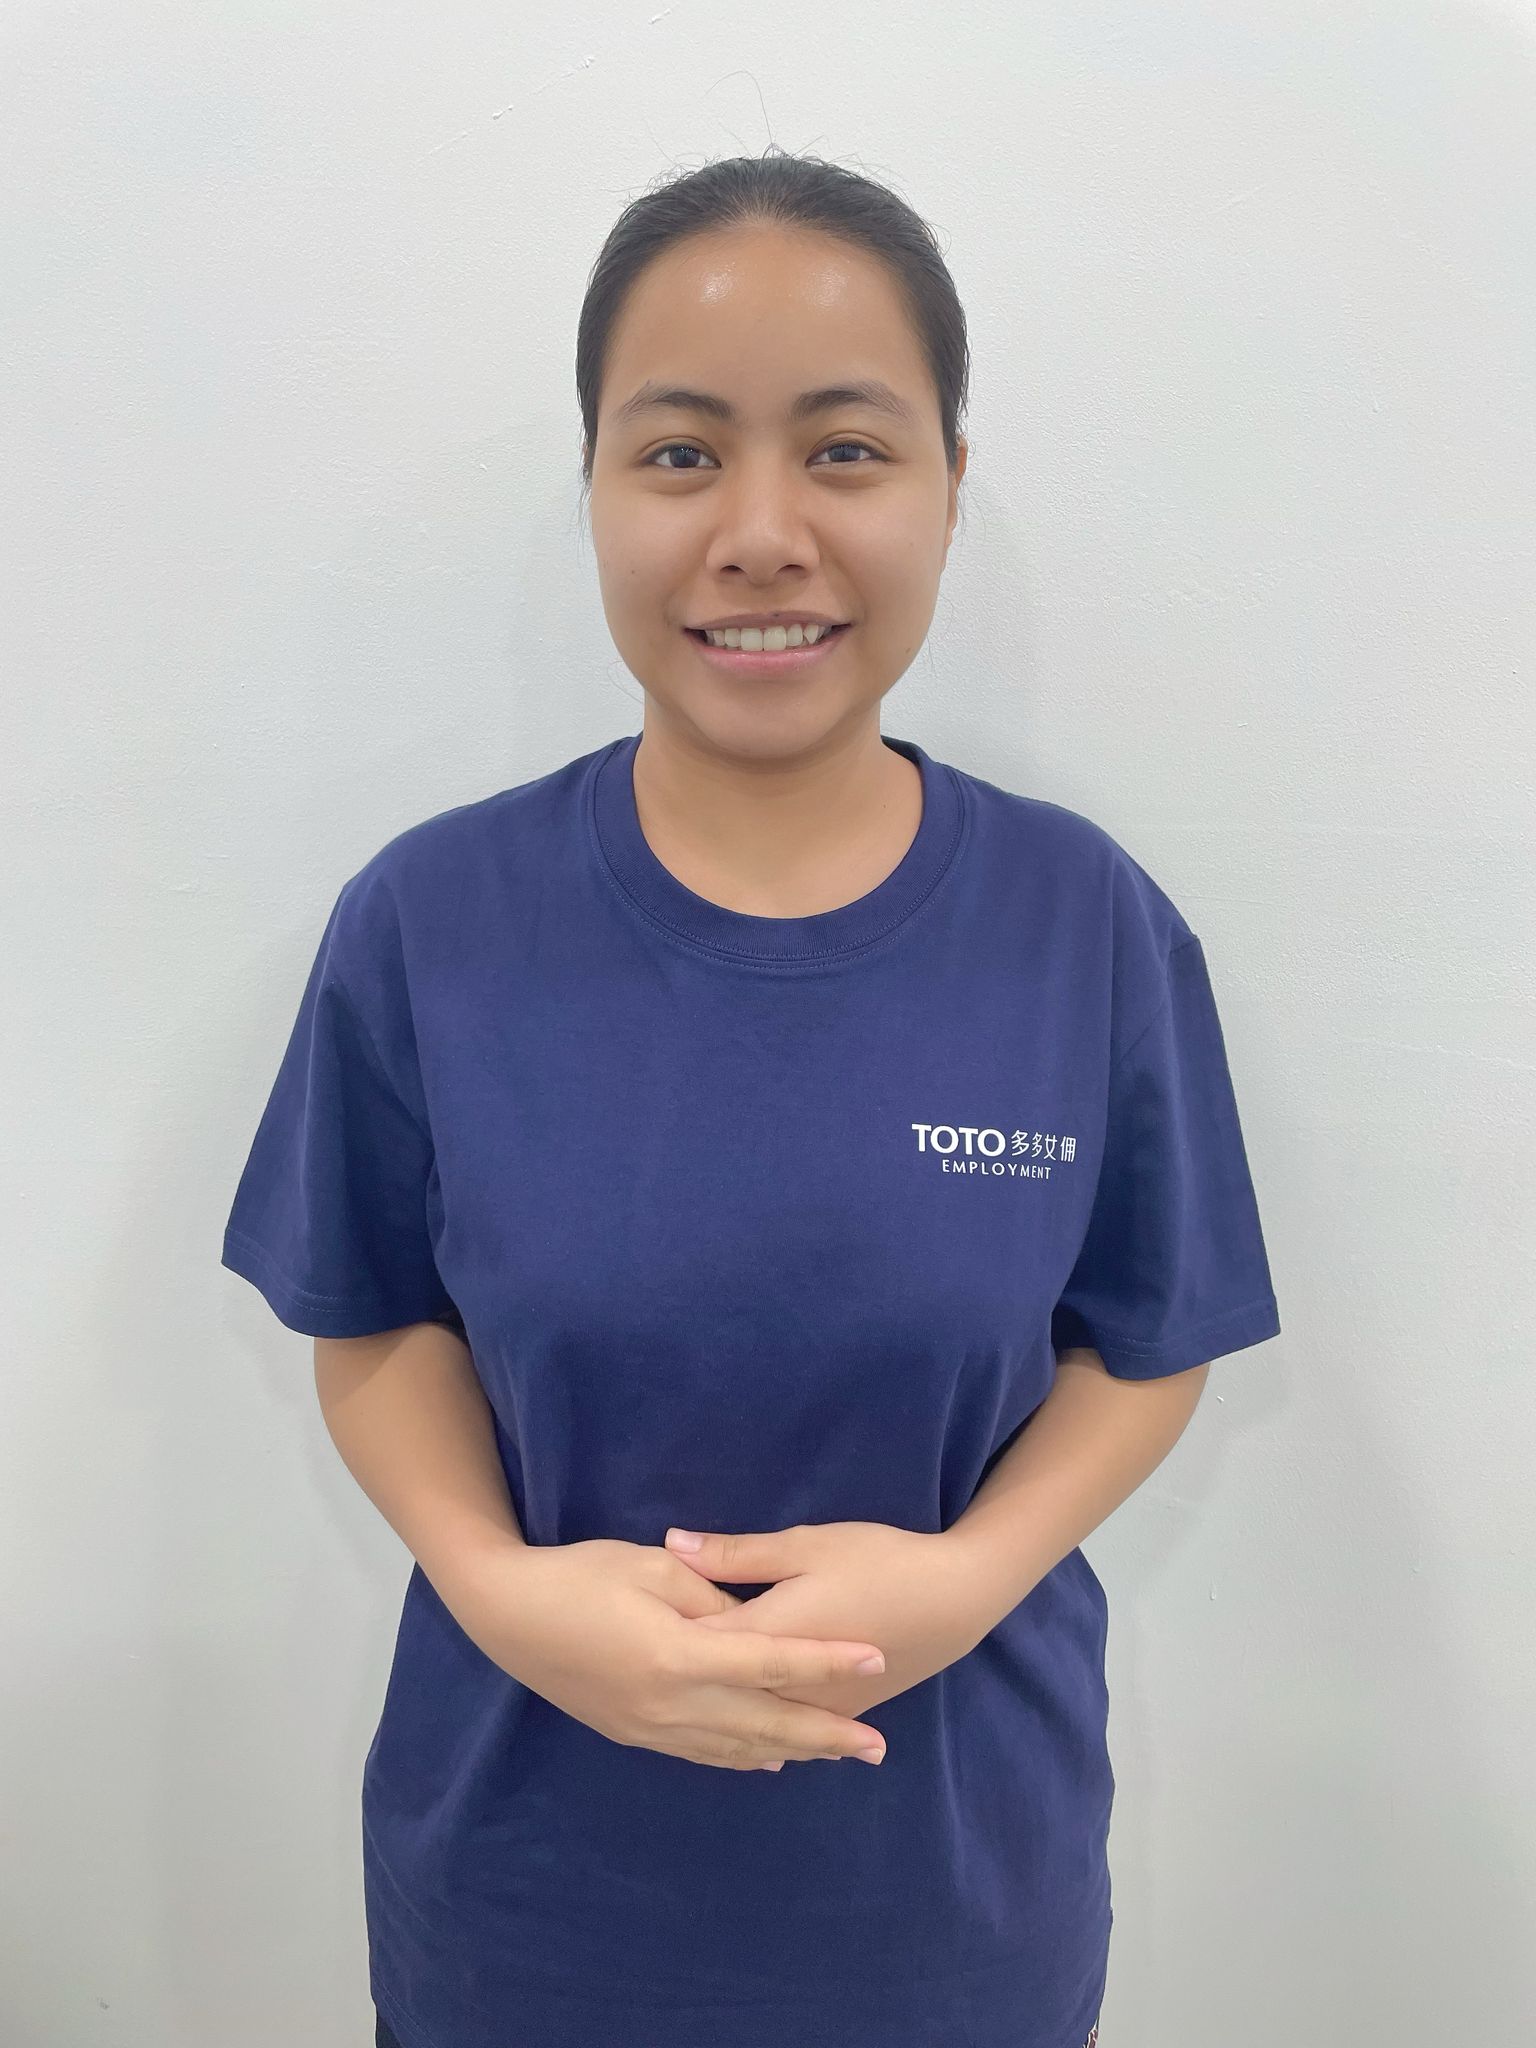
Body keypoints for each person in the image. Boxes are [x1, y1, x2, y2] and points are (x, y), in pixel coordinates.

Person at [222, 145, 1279, 2048]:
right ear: (596, 489)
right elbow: (370, 1320)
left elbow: (1150, 1340)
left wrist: (970, 1575)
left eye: (848, 450)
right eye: (682, 452)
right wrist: (499, 1589)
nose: (764, 532)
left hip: (953, 1910)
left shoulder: (1086, 925)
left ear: (951, 484)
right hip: (522, 1910)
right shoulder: (431, 921)